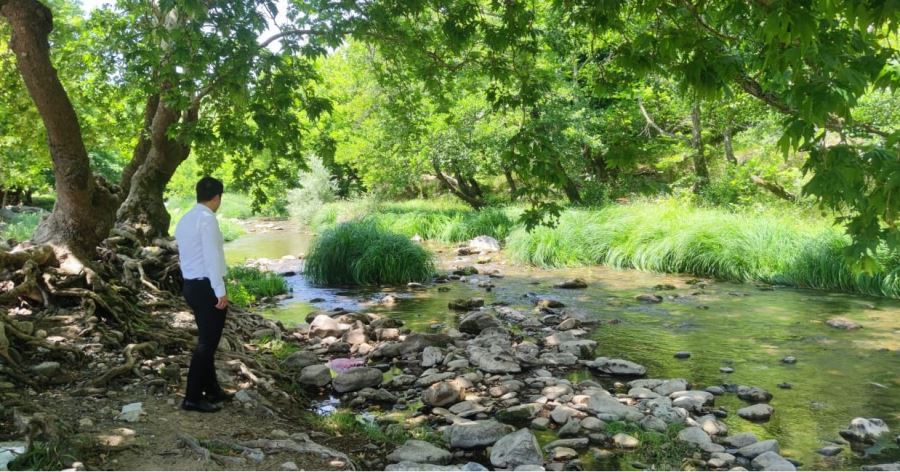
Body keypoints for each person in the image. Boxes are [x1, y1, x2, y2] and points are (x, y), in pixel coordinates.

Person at [174, 176, 233, 413]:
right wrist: (220, 290)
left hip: (191, 285)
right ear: (217, 197)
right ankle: (192, 398)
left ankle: (212, 390)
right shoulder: (207, 220)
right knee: (207, 344)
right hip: (207, 286)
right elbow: (211, 257)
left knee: (207, 340)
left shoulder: (186, 219)